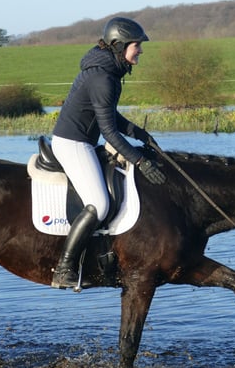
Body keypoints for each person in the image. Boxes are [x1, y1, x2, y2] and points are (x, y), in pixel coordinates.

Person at [50, 16, 166, 289]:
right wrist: (139, 161)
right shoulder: (104, 78)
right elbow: (109, 133)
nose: (140, 50)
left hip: (82, 141)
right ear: (119, 44)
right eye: (136, 45)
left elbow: (109, 115)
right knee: (99, 204)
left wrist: (139, 133)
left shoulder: (107, 70)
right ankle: (64, 269)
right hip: (73, 143)